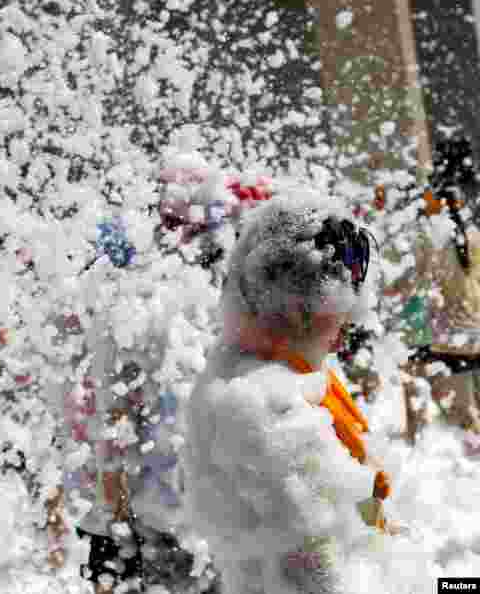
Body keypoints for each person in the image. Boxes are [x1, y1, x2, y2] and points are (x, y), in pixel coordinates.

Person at [185, 194, 432, 594]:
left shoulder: (272, 374)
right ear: (299, 306)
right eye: (341, 301)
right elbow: (324, 572)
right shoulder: (268, 407)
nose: (349, 321)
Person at [384, 188, 480, 444]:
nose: (426, 206)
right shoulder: (472, 236)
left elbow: (419, 279)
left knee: (417, 378)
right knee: (465, 401)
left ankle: (416, 436)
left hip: (447, 334)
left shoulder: (435, 242)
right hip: (472, 330)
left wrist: (392, 289)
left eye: (431, 203)